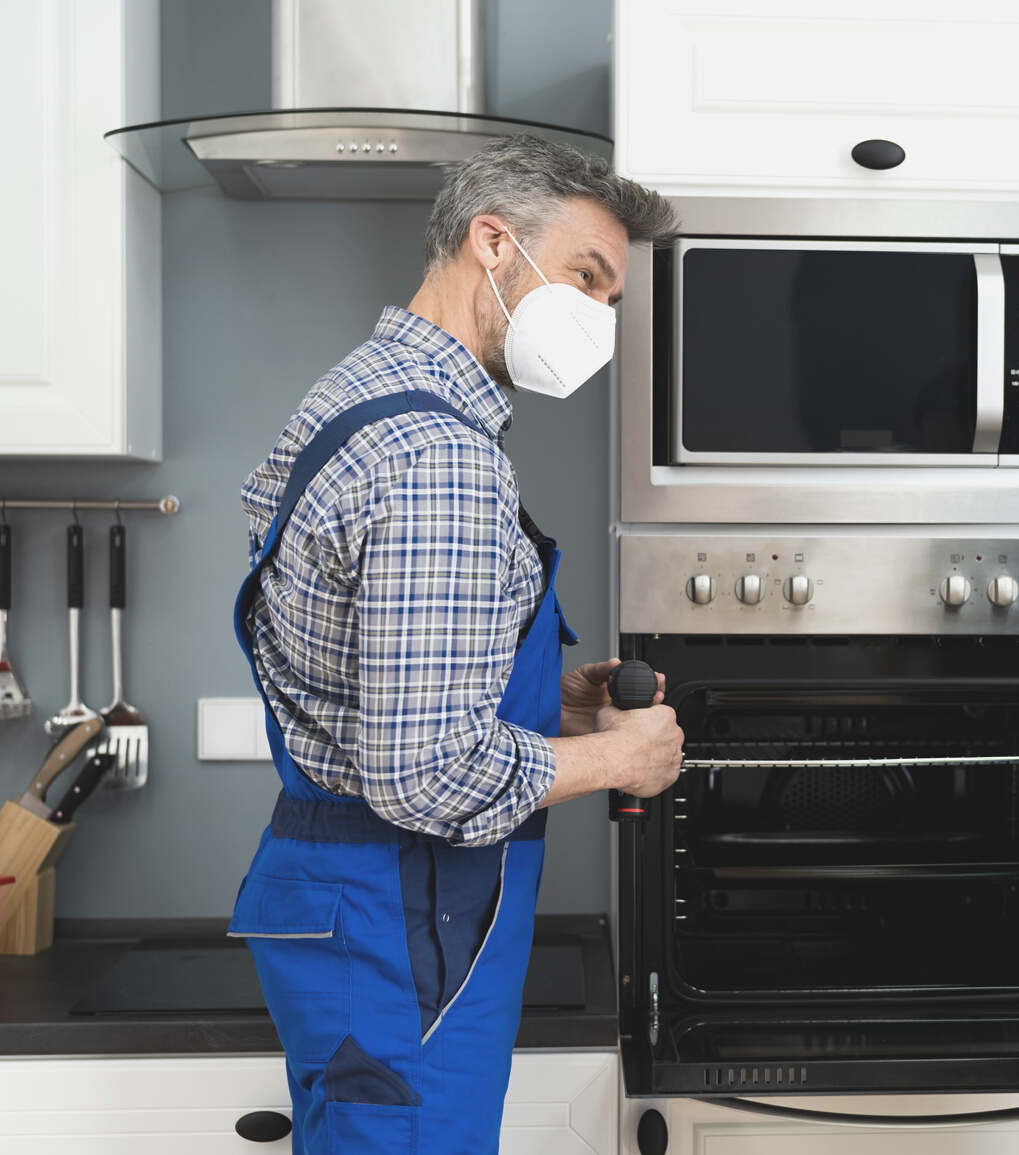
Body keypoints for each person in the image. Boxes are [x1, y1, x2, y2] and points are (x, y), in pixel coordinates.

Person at [228, 135, 685, 1154]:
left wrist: (543, 704)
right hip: (405, 921)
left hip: (353, 909)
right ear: (492, 244)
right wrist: (620, 755)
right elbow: (423, 775)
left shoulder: (357, 396)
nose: (600, 321)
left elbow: (351, 670)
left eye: (612, 301)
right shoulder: (440, 458)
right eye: (586, 278)